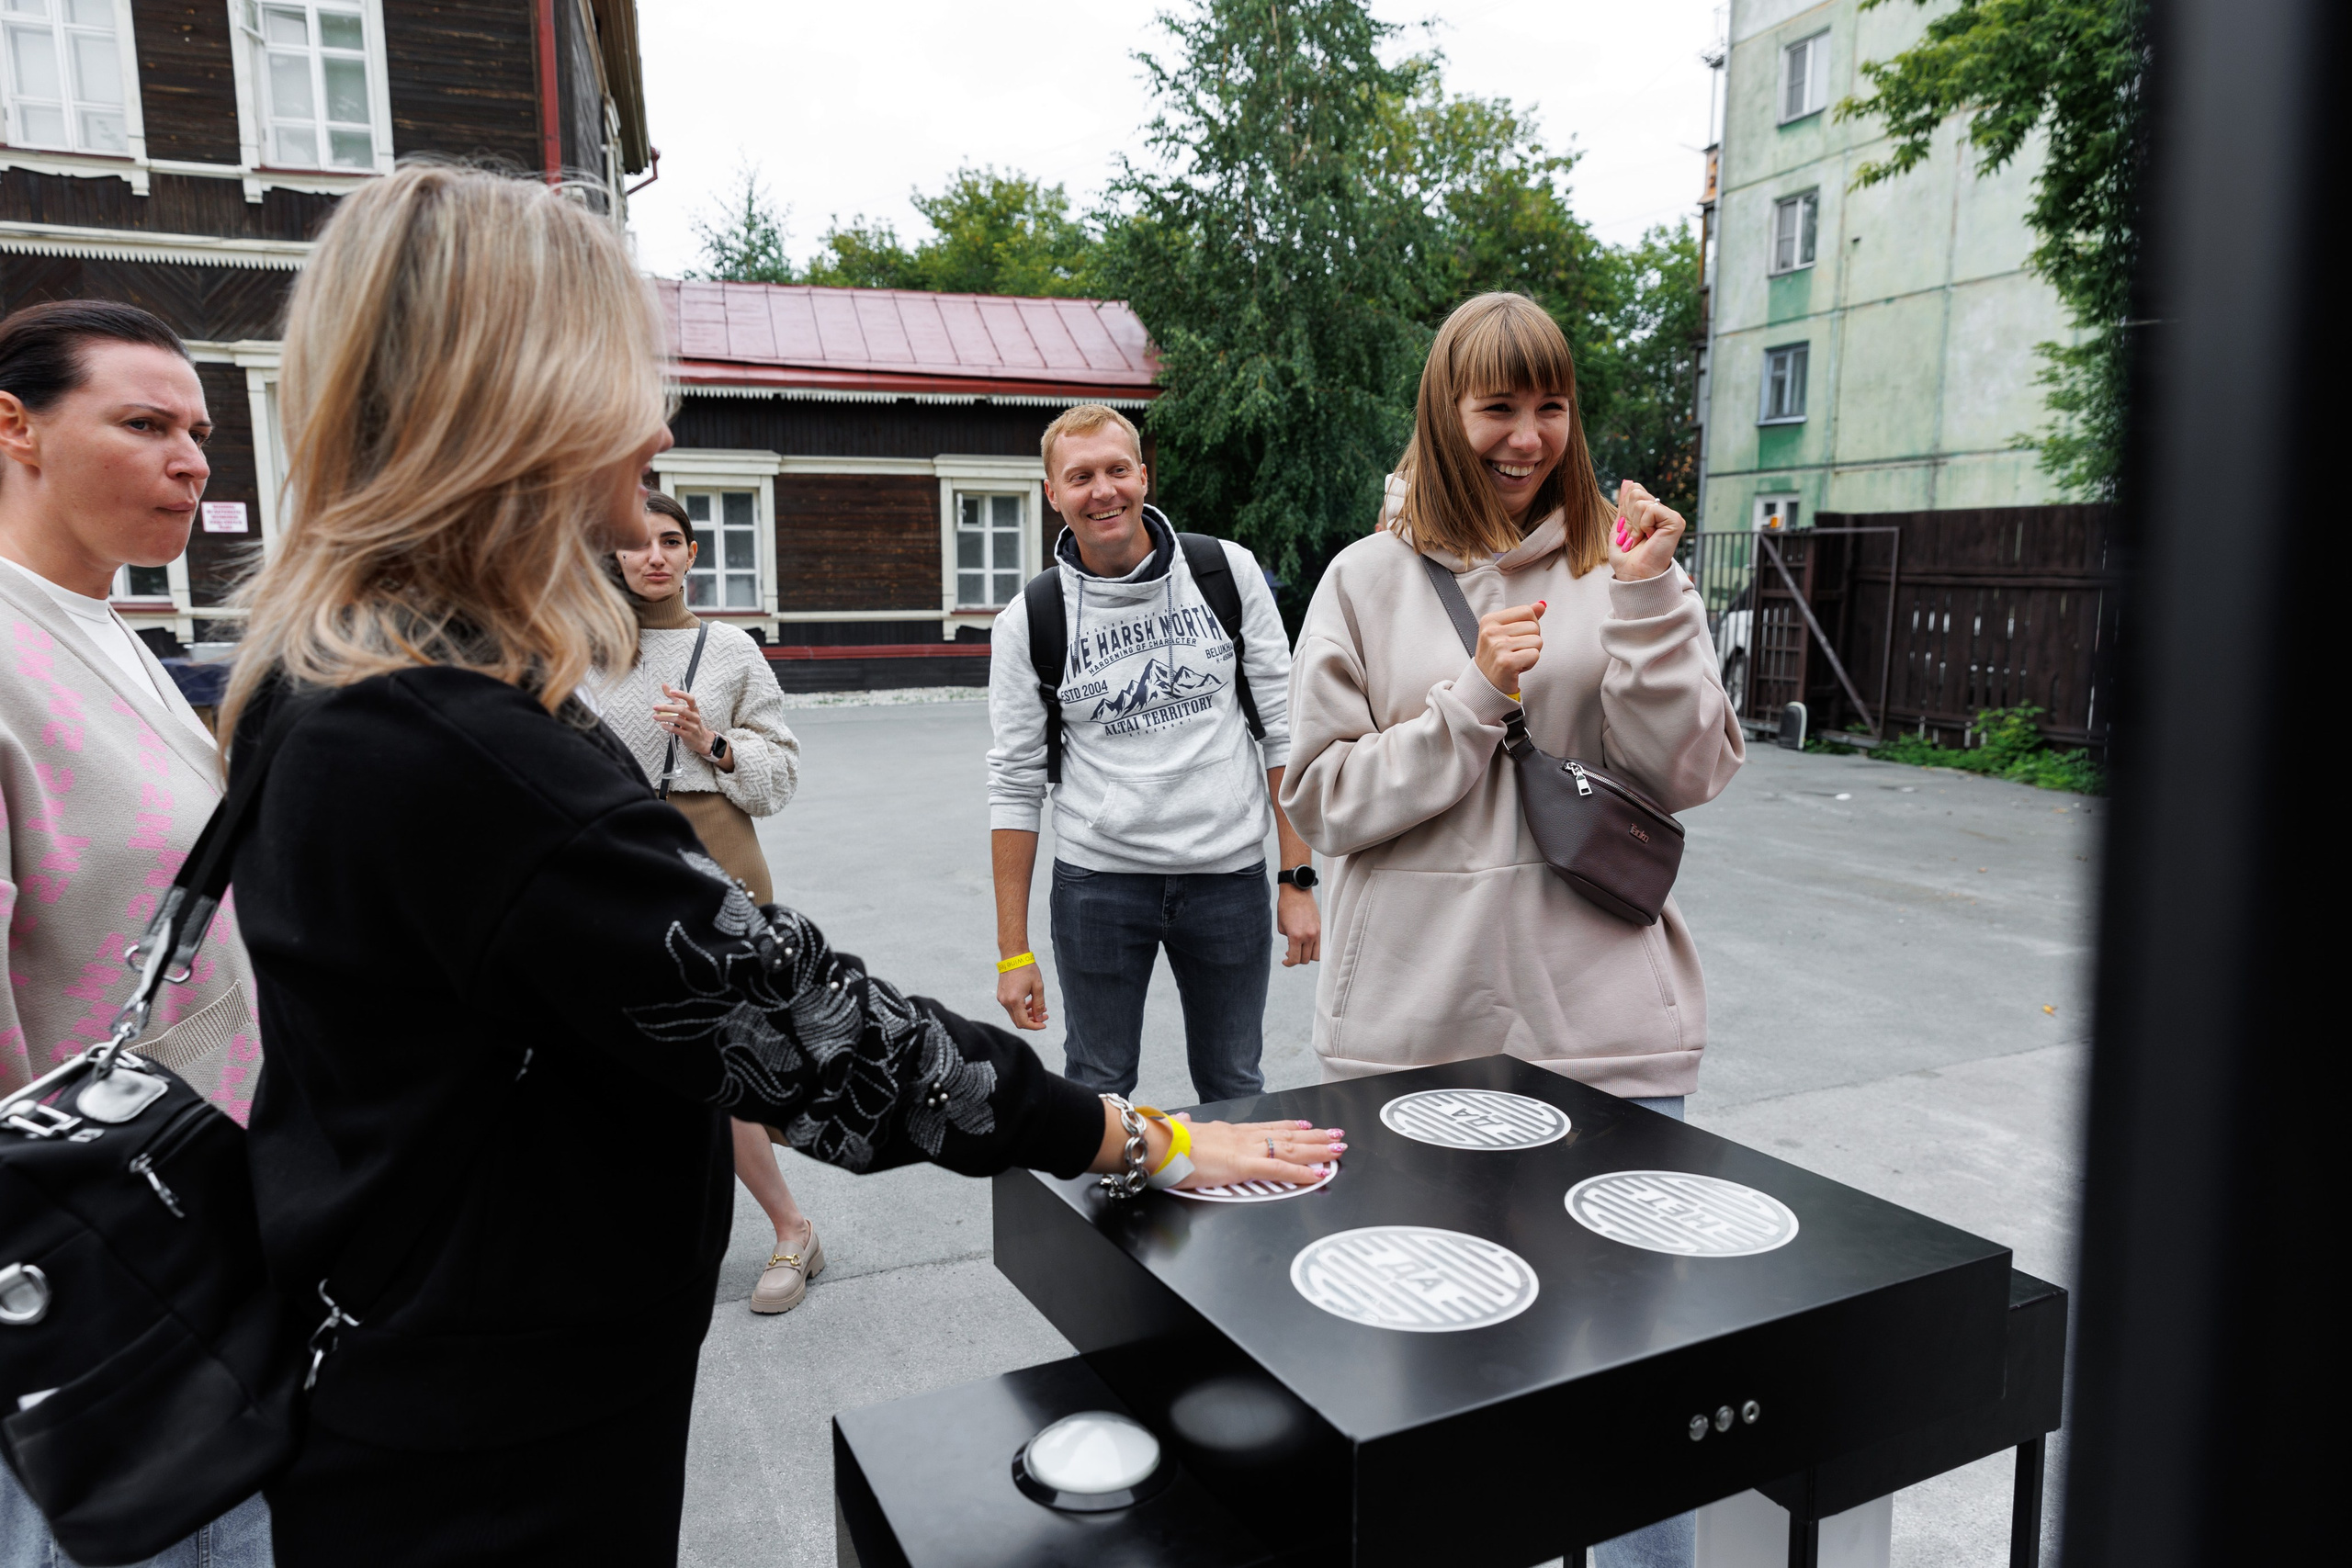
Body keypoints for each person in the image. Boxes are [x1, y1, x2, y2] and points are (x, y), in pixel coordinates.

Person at [214, 164, 1339, 1567]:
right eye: (626, 379)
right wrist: (1145, 1134)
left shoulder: (334, 677)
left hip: (427, 1359)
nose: (656, 428)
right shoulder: (449, 741)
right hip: (488, 1431)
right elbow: (819, 1035)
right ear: (521, 402)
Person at [1278, 292, 1744, 1568]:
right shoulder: (1365, 581)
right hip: (1408, 1041)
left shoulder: (1625, 559)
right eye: (1498, 404)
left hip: (1611, 1040)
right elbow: (1318, 795)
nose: (1527, 434)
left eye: (1551, 404)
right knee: (1430, 1386)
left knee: (1645, 1388)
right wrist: (1473, 696)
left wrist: (1649, 606)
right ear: (1447, 411)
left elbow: (1693, 770)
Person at [0, 300, 272, 1565]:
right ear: (17, 429)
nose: (193, 458)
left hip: (197, 1222)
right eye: (144, 422)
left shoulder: (110, 629)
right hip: (86, 1276)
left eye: (201, 430)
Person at [985, 403, 1317, 1106]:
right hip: (1099, 886)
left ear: (1143, 474)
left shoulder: (1227, 571)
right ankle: (1107, 1218)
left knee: (1234, 1084)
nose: (1102, 490)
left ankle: (1240, 1216)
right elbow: (1014, 783)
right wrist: (1014, 950)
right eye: (1080, 477)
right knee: (1099, 1088)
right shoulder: (1030, 619)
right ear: (1052, 494)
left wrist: (1297, 878)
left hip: (1227, 876)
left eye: (1116, 470)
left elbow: (1285, 730)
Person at [596, 490, 824, 1315]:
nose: (653, 556)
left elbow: (782, 774)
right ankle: (645, 1236)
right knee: (622, 1056)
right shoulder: (582, 647)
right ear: (613, 556)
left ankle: (792, 1229)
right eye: (635, 543)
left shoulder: (729, 649)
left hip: (718, 855)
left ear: (693, 553)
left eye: (670, 541)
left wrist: (712, 741)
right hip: (615, 856)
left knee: (714, 1056)